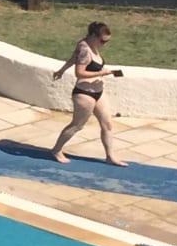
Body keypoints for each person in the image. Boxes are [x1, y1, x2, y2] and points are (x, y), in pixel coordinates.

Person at [49, 21, 128, 166]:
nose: (104, 44)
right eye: (103, 41)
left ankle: (110, 156)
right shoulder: (85, 49)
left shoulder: (85, 44)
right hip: (85, 93)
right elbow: (79, 72)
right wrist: (101, 73)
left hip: (98, 92)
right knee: (77, 125)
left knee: (107, 124)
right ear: (93, 36)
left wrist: (61, 70)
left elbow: (74, 57)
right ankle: (56, 150)